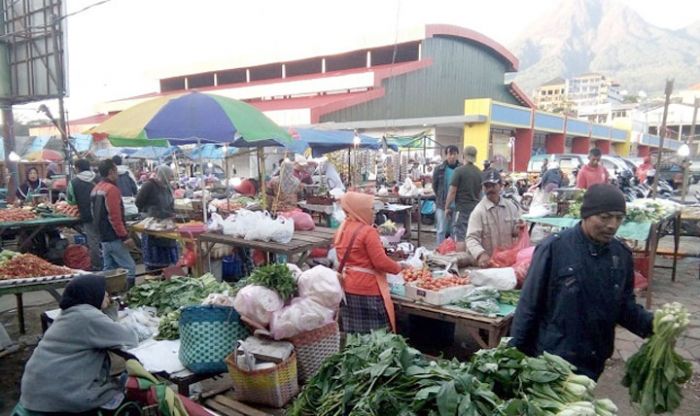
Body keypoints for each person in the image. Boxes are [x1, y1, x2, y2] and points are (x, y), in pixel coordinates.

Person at [509, 184, 653, 380]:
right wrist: (513, 355)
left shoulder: (621, 255)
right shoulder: (554, 248)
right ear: (586, 215)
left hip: (594, 358)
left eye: (619, 218)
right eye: (605, 217)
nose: (612, 225)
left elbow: (623, 306)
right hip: (552, 360)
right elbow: (528, 306)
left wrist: (653, 325)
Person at [18, 274, 138, 413]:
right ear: (90, 293)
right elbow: (129, 337)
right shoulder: (87, 317)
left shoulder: (70, 313)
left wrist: (109, 307)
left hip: (37, 393)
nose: (106, 294)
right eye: (102, 291)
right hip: (60, 397)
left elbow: (104, 328)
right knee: (126, 395)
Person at [336, 192, 406, 333]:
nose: (374, 213)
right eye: (371, 209)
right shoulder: (368, 232)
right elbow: (380, 262)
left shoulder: (342, 228)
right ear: (360, 209)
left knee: (356, 336)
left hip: (348, 286)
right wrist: (399, 267)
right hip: (368, 289)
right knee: (376, 337)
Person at [92, 159, 137, 287]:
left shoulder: (96, 188)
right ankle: (129, 297)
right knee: (130, 268)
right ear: (111, 172)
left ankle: (108, 298)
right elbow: (114, 217)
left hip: (103, 237)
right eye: (116, 170)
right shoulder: (111, 190)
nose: (117, 174)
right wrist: (125, 237)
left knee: (109, 269)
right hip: (113, 237)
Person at [465, 170, 522, 267]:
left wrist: (518, 229)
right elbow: (471, 239)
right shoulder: (478, 212)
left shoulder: (511, 207)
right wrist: (481, 254)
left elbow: (516, 230)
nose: (490, 189)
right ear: (483, 188)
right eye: (487, 186)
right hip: (489, 264)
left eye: (493, 185)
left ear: (500, 185)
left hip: (508, 262)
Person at [136, 165, 179, 271]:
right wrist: (149, 212)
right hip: (153, 224)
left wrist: (172, 214)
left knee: (168, 259)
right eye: (170, 176)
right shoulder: (149, 185)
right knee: (154, 260)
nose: (171, 179)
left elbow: (171, 204)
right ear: (163, 175)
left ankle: (167, 273)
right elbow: (138, 202)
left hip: (166, 224)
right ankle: (153, 273)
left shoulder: (167, 187)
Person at [67, 159, 102, 270]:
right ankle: (109, 264)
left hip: (87, 215)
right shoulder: (99, 178)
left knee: (93, 241)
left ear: (77, 168)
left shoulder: (74, 182)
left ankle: (97, 265)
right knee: (106, 239)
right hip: (103, 214)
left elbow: (71, 201)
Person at [444, 146, 482, 244]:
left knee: (460, 237)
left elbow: (452, 191)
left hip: (461, 210)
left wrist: (447, 207)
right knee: (472, 238)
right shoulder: (479, 172)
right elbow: (480, 193)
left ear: (463, 156)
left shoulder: (459, 171)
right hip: (475, 210)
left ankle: (461, 258)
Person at [432, 145, 461, 244]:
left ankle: (452, 253)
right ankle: (439, 252)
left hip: (457, 205)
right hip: (442, 205)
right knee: (441, 230)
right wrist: (440, 197)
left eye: (454, 154)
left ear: (457, 155)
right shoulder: (439, 169)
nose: (452, 156)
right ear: (446, 155)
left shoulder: (461, 169)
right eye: (450, 154)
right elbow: (434, 186)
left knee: (454, 230)